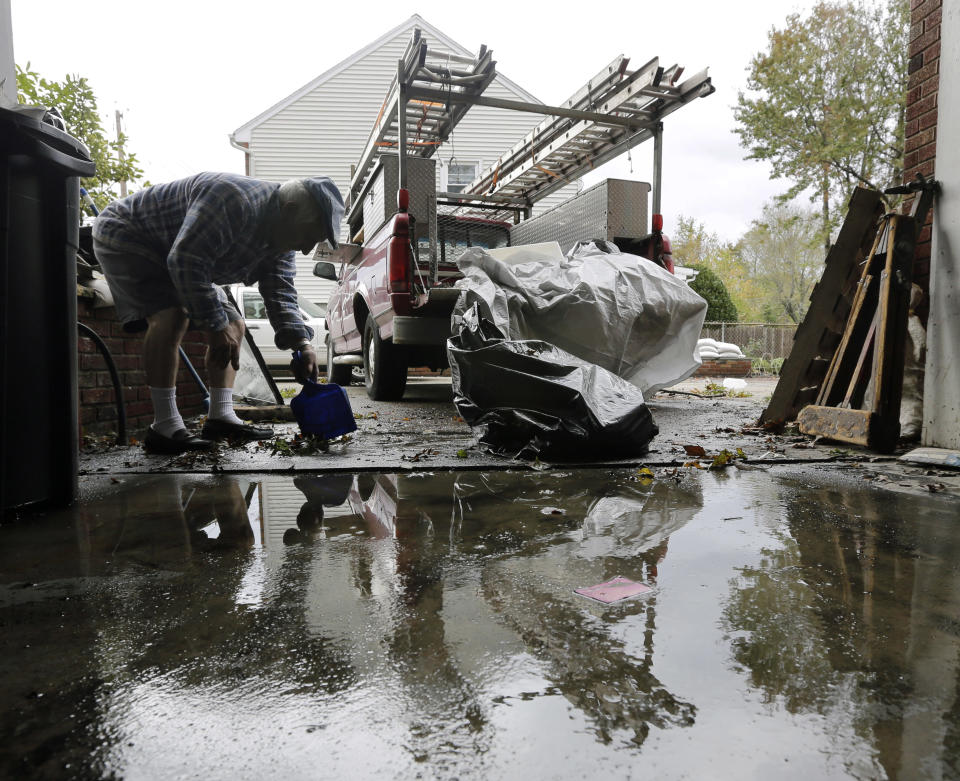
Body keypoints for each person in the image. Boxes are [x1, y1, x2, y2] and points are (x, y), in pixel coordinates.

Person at [92, 172, 344, 454]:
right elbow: (186, 259)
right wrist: (213, 326)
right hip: (128, 233)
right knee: (171, 316)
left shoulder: (282, 239)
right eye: (309, 236)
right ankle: (163, 427)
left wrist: (302, 344)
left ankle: (221, 417)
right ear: (289, 210)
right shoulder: (234, 201)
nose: (307, 249)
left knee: (235, 326)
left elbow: (280, 291)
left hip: (181, 254)